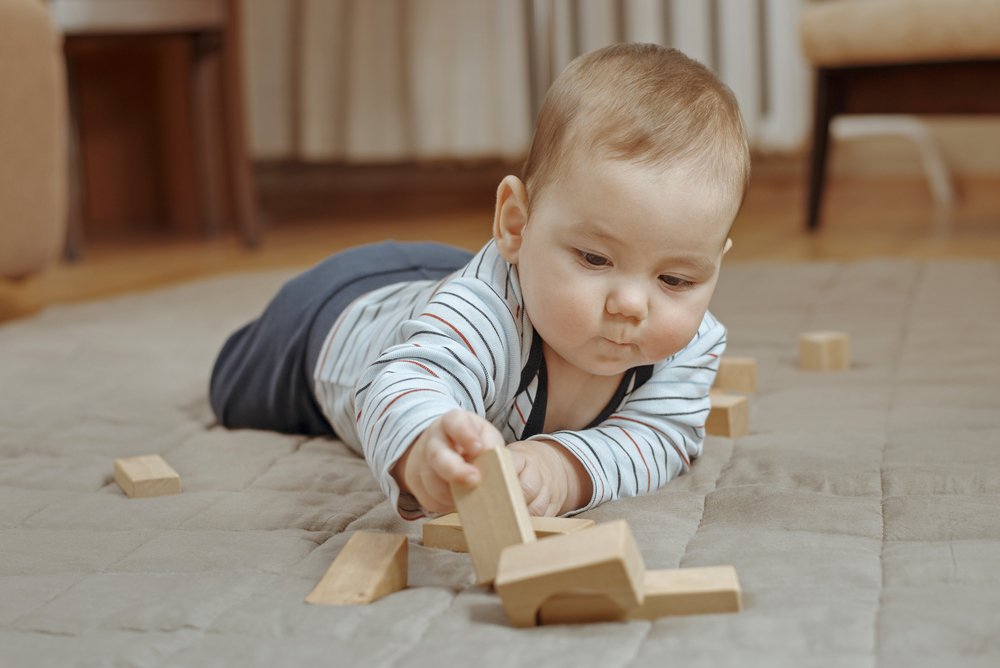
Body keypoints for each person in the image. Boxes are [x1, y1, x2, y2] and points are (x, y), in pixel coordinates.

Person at [209, 43, 750, 520]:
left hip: (444, 276)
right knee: (231, 392)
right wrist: (423, 448)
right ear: (515, 225)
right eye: (593, 258)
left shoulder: (691, 344)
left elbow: (663, 438)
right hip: (327, 320)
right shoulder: (482, 314)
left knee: (452, 294)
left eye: (676, 279)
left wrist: (564, 470)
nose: (632, 304)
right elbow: (402, 381)